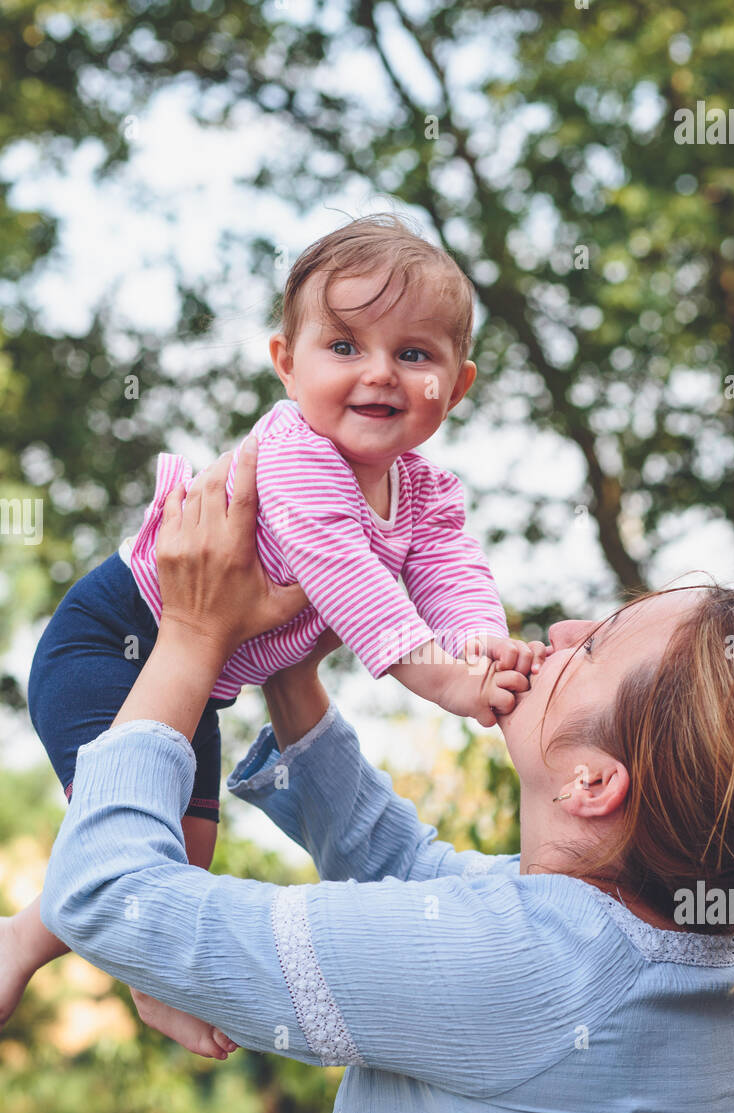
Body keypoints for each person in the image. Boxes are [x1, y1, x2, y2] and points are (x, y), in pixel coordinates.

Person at [39, 443, 734, 1113]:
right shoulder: (690, 938)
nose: (561, 633)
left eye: (594, 651)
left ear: (592, 782)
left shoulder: (533, 966)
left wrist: (188, 636)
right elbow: (413, 874)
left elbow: (106, 897)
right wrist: (290, 665)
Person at [1, 214, 548, 1057]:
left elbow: (450, 569)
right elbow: (354, 587)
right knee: (134, 833)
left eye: (413, 354)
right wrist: (446, 681)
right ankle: (59, 957)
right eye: (344, 346)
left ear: (456, 386)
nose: (379, 373)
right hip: (113, 645)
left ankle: (125, 969)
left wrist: (477, 641)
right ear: (285, 364)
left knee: (190, 849)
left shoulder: (424, 489)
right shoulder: (294, 454)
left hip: (202, 672)